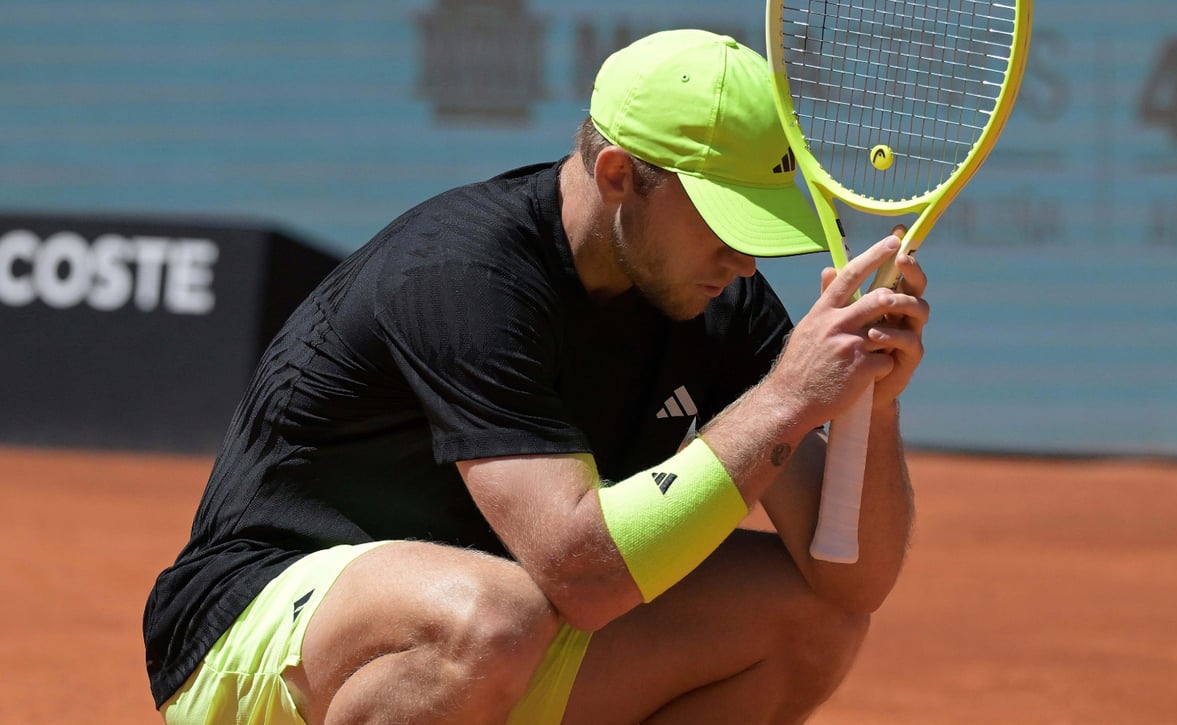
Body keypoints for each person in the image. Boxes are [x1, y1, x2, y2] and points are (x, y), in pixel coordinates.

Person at [144, 28, 928, 724]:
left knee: (810, 619)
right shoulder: (464, 273)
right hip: (262, 634)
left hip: (499, 634)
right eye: (724, 219)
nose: (745, 257)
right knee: (493, 619)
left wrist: (869, 403)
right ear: (619, 174)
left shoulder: (718, 297)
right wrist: (788, 399)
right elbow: (582, 573)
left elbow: (850, 577)